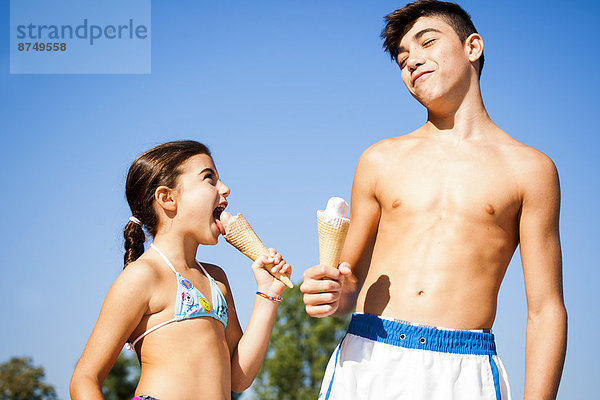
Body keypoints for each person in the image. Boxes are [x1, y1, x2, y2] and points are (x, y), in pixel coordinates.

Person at [300, 1, 566, 399]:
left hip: (464, 370)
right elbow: (348, 282)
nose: (412, 61)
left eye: (427, 43)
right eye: (403, 57)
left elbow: (545, 310)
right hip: (369, 357)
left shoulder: (531, 170)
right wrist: (330, 293)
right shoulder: (379, 159)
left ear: (472, 47)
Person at [70, 140, 291, 399]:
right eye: (209, 179)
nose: (225, 189)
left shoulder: (216, 279)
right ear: (168, 198)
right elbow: (84, 378)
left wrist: (267, 294)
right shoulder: (144, 275)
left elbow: (239, 379)